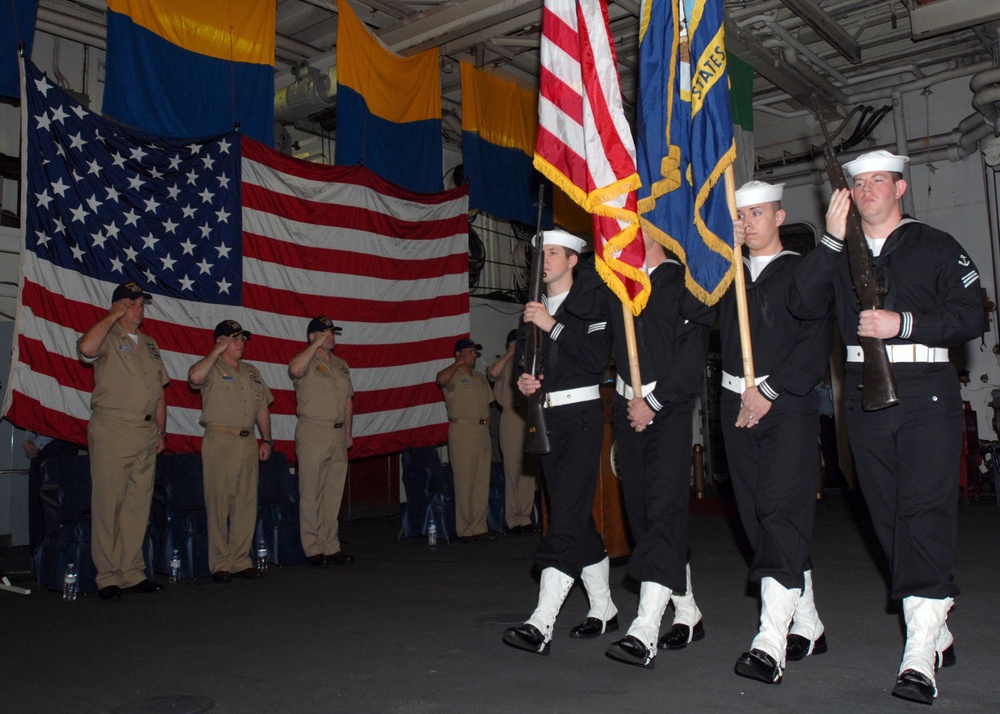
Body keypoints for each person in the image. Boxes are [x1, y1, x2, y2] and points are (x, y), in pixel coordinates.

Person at [789, 150, 982, 704]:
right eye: (859, 182)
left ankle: (919, 651)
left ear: (900, 188)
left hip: (927, 391)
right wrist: (827, 241)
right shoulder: (839, 250)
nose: (868, 188)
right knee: (886, 516)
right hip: (866, 396)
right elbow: (802, 304)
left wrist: (905, 323)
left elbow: (972, 314)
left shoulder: (935, 244)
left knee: (924, 509)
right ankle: (935, 615)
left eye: (879, 180)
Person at [721, 181, 833, 685]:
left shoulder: (801, 273)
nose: (748, 223)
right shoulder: (728, 278)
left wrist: (769, 390)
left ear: (780, 216)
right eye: (741, 215)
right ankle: (808, 624)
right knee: (757, 517)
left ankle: (770, 640)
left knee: (780, 510)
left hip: (784, 406)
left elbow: (815, 343)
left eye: (758, 213)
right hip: (734, 406)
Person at [502, 228, 617, 657]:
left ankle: (541, 622)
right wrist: (525, 382)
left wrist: (552, 325)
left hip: (583, 418)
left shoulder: (591, 302)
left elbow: (593, 359)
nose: (544, 260)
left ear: (573, 260)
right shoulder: (531, 310)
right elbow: (520, 368)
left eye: (553, 253)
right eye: (540, 253)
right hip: (546, 418)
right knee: (573, 513)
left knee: (565, 516)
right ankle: (603, 608)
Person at [604, 236, 711, 669]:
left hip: (665, 409)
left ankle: (645, 627)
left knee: (665, 512)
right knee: (643, 517)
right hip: (628, 408)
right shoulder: (619, 285)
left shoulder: (685, 283)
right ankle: (687, 610)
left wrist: (654, 403)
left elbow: (691, 358)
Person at [77, 281, 168, 600]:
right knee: (108, 502)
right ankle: (107, 575)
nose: (139, 307)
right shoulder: (107, 336)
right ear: (118, 306)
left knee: (137, 505)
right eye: (132, 303)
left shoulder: (151, 344)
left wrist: (161, 430)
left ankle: (132, 571)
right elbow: (86, 350)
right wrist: (111, 316)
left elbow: (158, 392)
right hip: (113, 427)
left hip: (145, 432)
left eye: (142, 303)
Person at [188, 319, 274, 583]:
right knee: (219, 502)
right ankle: (220, 563)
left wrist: (267, 440)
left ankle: (240, 560)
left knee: (246, 502)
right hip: (220, 440)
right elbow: (194, 378)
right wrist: (216, 351)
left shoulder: (251, 371)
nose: (241, 344)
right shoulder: (211, 367)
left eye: (243, 339)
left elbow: (262, 407)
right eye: (235, 339)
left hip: (248, 441)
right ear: (221, 341)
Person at [288, 316, 355, 566]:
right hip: (313, 430)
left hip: (337, 434)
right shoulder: (305, 359)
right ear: (311, 336)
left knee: (333, 492)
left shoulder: (341, 364)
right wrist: (315, 345)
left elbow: (348, 399)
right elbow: (295, 370)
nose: (331, 336)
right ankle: (313, 547)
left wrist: (348, 431)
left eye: (333, 332)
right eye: (325, 332)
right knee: (311, 492)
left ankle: (331, 544)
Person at [436, 337, 495, 542]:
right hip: (462, 430)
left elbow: (488, 404)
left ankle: (479, 526)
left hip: (481, 431)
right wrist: (458, 363)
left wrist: (487, 427)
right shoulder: (453, 374)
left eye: (474, 352)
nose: (474, 355)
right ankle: (465, 529)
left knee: (481, 481)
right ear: (458, 354)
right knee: (464, 481)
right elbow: (441, 380)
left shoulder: (480, 377)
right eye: (469, 351)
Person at [488, 329, 536, 535]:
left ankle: (525, 517)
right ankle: (513, 519)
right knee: (511, 469)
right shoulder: (506, 363)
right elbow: (492, 373)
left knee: (528, 470)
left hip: (527, 416)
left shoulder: (526, 364)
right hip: (510, 416)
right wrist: (510, 353)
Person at [25, 432, 80, 557]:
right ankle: (42, 559)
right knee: (39, 508)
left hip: (60, 449)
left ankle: (51, 560)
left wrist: (34, 442)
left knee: (54, 511)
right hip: (47, 449)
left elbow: (59, 423)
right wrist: (28, 440)